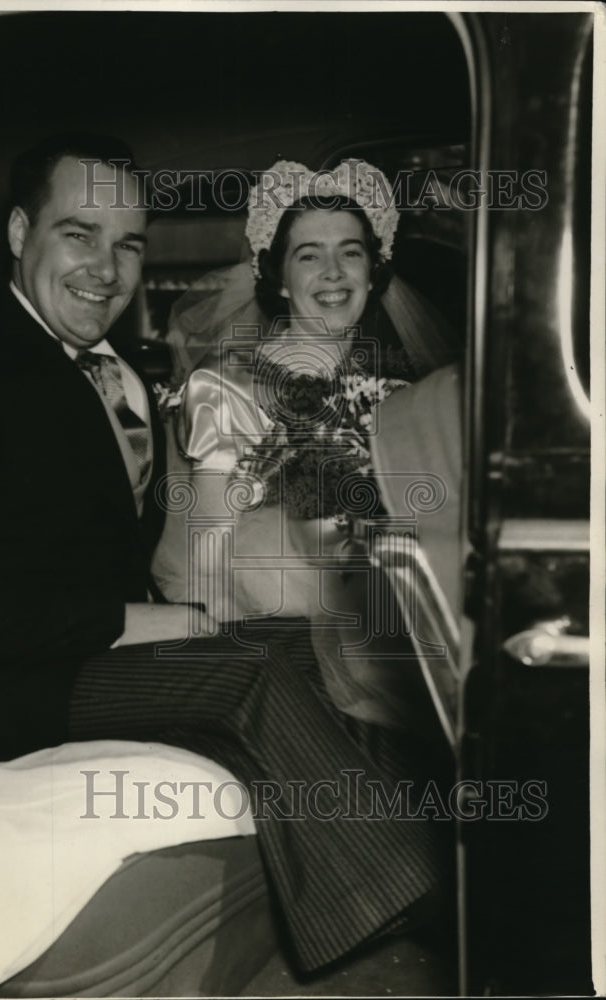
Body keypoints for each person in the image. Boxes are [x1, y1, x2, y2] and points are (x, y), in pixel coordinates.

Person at [0, 134, 445, 974]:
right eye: (78, 234)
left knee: (312, 646)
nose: (104, 268)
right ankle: (401, 905)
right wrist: (134, 619)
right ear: (21, 232)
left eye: (127, 244)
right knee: (248, 670)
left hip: (88, 662)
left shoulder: (112, 375)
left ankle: (384, 888)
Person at [152, 158, 459, 735]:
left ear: (374, 269)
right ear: (278, 278)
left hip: (391, 632)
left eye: (351, 251)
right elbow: (208, 562)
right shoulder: (227, 384)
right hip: (275, 631)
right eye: (308, 255)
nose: (333, 272)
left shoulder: (400, 389)